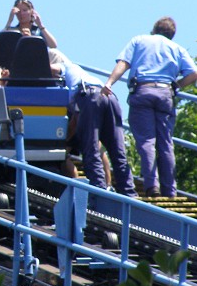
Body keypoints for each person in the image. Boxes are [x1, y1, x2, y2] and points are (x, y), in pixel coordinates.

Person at [102, 17, 197, 197]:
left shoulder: (139, 40)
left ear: (154, 29)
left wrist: (109, 83)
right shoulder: (177, 48)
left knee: (147, 141)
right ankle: (170, 190)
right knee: (165, 143)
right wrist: (176, 86)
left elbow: (123, 63)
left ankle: (151, 186)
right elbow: (194, 73)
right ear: (171, 34)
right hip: (165, 94)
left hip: (143, 91)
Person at [49, 49, 137, 197]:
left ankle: (99, 190)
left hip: (89, 96)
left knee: (90, 147)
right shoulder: (81, 74)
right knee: (117, 150)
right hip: (109, 98)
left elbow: (50, 68)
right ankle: (129, 194)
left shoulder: (66, 67)